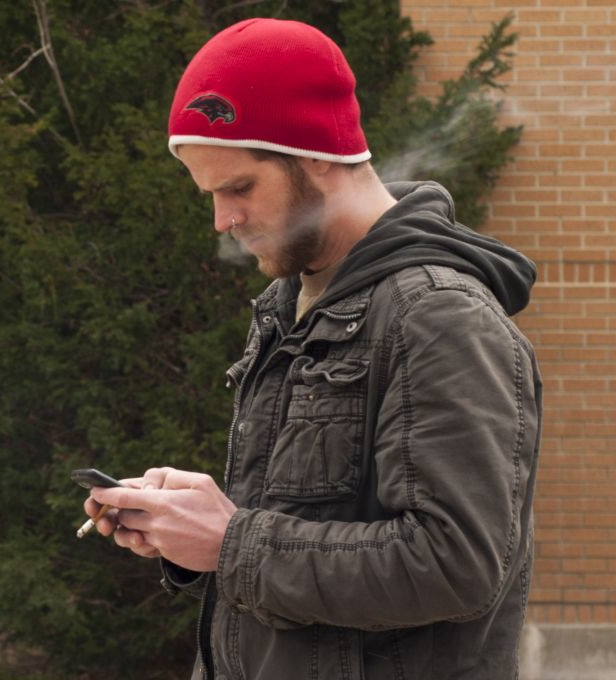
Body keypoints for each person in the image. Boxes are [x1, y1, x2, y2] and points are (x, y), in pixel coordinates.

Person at [83, 18, 542, 680]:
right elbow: (302, 548)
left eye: (240, 187)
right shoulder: (291, 306)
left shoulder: (440, 317)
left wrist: (231, 542)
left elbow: (455, 566)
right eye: (210, 194)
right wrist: (190, 532)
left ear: (319, 153)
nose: (222, 219)